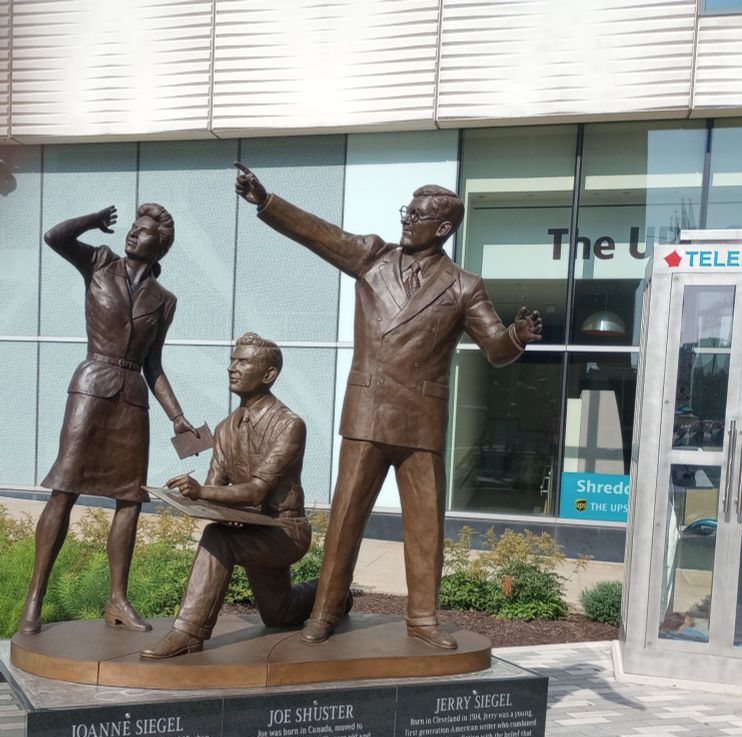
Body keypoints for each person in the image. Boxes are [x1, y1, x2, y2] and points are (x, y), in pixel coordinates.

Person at [234, 163, 542, 650]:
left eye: (417, 215)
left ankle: (422, 619)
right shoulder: (373, 257)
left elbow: (496, 352)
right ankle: (325, 611)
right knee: (345, 521)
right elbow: (319, 234)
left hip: (421, 419)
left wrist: (517, 338)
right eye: (407, 210)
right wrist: (267, 202)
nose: (407, 220)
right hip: (368, 411)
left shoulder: (465, 285)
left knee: (425, 527)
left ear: (442, 228)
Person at [19, 204, 198, 635]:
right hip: (91, 386)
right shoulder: (99, 261)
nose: (134, 235)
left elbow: (153, 365)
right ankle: (34, 599)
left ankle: (117, 598)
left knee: (130, 500)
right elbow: (55, 236)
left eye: (144, 232)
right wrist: (92, 220)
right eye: (133, 229)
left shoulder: (164, 300)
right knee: (65, 489)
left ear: (161, 245)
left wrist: (177, 416)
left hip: (132, 398)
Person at [140, 332, 319, 659]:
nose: (231, 368)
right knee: (279, 614)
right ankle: (333, 591)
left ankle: (189, 633)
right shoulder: (224, 429)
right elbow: (214, 491)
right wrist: (187, 496)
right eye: (232, 360)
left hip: (285, 532)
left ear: (268, 375)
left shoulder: (290, 425)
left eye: (243, 362)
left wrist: (203, 491)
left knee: (218, 539)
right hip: (249, 528)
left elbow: (257, 491)